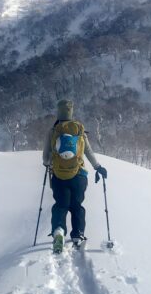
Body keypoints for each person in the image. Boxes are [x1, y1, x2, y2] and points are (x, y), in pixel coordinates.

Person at [42, 99, 107, 252]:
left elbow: (45, 159)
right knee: (77, 206)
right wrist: (98, 167)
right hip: (79, 176)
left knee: (61, 205)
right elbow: (88, 151)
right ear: (71, 112)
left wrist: (50, 163)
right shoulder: (79, 130)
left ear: (59, 111)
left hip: (59, 177)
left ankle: (58, 231)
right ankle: (78, 235)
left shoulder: (53, 131)